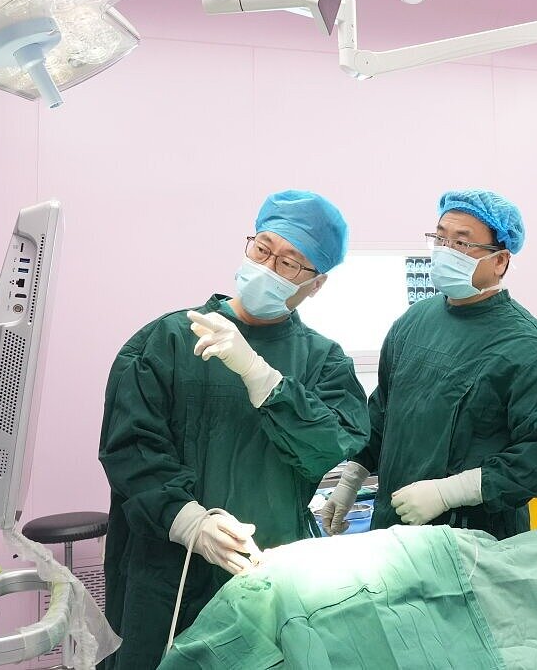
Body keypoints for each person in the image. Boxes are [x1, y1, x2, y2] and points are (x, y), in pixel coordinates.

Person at [98, 190, 369, 668]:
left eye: (289, 263)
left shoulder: (324, 361)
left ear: (317, 283)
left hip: (266, 568)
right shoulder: (167, 340)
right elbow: (129, 447)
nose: (268, 267)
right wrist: (190, 522)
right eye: (262, 249)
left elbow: (328, 448)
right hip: (167, 575)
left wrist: (264, 380)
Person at [322, 189, 537, 540]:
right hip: (393, 525)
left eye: (461, 243)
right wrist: (351, 479)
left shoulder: (533, 351)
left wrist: (450, 492)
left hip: (474, 541)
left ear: (500, 261)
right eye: (440, 239)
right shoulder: (413, 321)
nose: (445, 252)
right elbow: (383, 409)